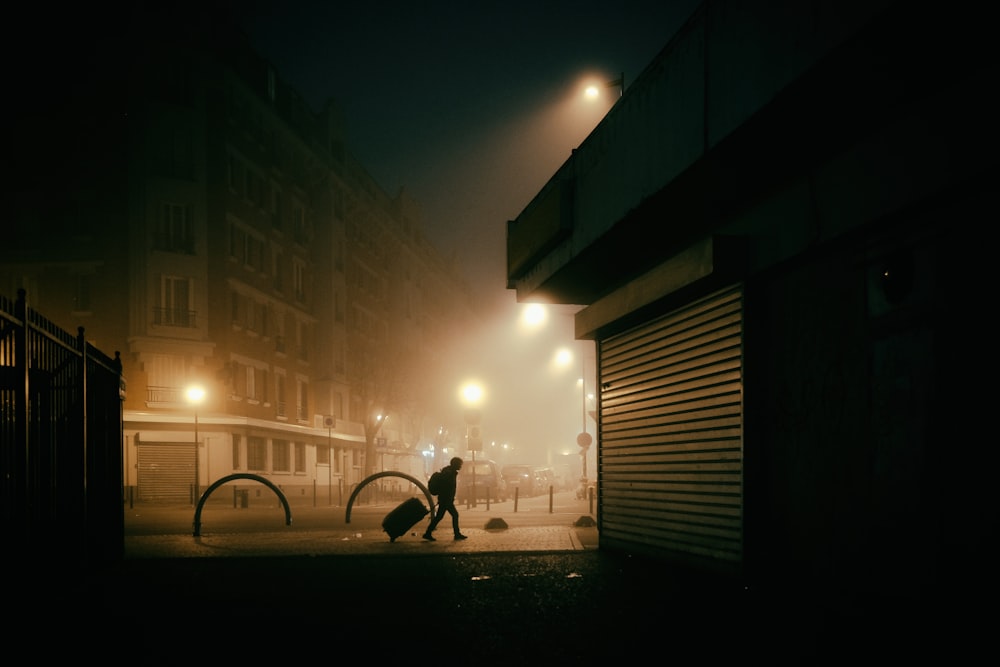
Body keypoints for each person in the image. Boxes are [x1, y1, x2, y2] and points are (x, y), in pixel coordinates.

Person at [423, 457, 468, 541]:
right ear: (456, 464)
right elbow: (447, 488)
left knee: (440, 516)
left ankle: (428, 533)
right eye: (460, 464)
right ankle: (456, 534)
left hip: (446, 499)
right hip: (446, 500)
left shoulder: (449, 472)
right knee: (454, 515)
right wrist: (447, 498)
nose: (461, 466)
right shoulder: (449, 474)